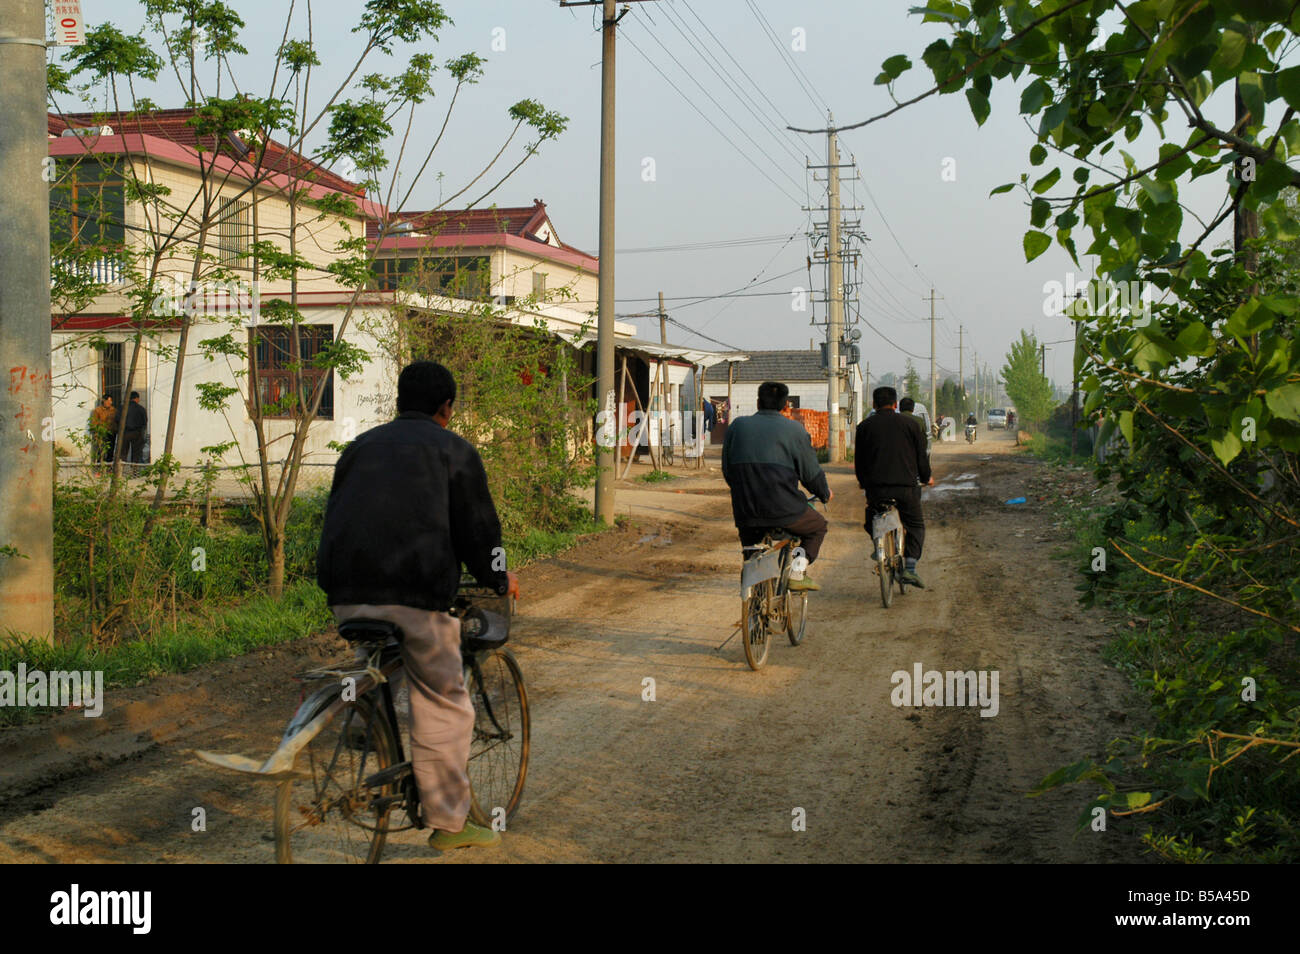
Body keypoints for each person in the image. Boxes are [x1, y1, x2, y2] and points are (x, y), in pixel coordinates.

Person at [316, 360, 520, 852]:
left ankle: (376, 727)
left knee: (386, 657)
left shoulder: (359, 448)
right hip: (416, 602)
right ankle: (450, 824)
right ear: (446, 407)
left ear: (399, 402)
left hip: (345, 597)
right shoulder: (455, 451)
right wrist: (499, 578)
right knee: (443, 697)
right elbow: (480, 534)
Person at [721, 381, 831, 591]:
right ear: (785, 405)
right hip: (785, 510)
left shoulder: (737, 426)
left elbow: (728, 471)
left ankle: (755, 603)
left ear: (757, 402)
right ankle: (797, 570)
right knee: (817, 527)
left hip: (746, 512)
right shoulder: (794, 430)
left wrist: (744, 491)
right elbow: (810, 474)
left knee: (752, 549)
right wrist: (824, 493)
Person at [855, 386, 933, 588]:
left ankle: (878, 545)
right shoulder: (910, 425)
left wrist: (864, 483)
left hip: (876, 489)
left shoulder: (864, 427)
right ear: (895, 405)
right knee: (915, 525)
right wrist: (926, 477)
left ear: (874, 404)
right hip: (905, 488)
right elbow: (921, 458)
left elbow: (859, 462)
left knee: (870, 519)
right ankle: (910, 567)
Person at [89, 393, 117, 463]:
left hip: (111, 434)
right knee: (100, 452)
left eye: (111, 401)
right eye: (108, 401)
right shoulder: (97, 410)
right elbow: (94, 422)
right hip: (101, 434)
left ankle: (109, 470)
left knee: (110, 452)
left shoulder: (114, 410)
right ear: (104, 401)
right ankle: (99, 470)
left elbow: (116, 422)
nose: (110, 403)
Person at [122, 391, 148, 464]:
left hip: (125, 433)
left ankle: (120, 470)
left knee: (123, 453)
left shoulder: (123, 407)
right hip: (137, 433)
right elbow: (145, 421)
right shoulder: (141, 409)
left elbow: (117, 419)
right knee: (136, 454)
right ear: (136, 398)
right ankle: (134, 472)